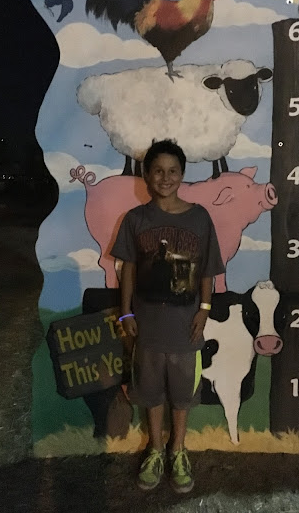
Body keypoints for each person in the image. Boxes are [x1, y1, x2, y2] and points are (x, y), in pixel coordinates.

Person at [111, 139, 224, 493]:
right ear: (146, 175)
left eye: (173, 171)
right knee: (150, 389)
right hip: (147, 325)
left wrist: (204, 310)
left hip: (186, 325)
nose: (165, 177)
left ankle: (178, 449)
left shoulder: (199, 218)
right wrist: (125, 312)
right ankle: (155, 450)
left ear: (182, 174)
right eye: (158, 170)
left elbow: (208, 269)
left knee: (182, 392)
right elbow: (128, 269)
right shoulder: (135, 219)